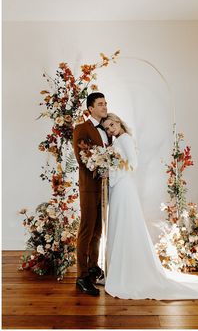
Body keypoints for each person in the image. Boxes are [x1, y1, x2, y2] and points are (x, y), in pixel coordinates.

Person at [101, 113, 198, 300]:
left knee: (126, 223)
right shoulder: (118, 141)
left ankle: (127, 273)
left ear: (119, 122)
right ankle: (118, 269)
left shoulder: (125, 139)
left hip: (123, 185)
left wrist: (114, 168)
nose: (110, 129)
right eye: (107, 128)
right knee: (120, 223)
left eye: (112, 124)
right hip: (118, 186)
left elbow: (133, 165)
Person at [73, 92, 111, 296]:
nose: (105, 107)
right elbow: (82, 159)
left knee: (98, 230)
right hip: (89, 186)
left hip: (104, 188)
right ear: (91, 108)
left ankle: (93, 267)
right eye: (100, 104)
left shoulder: (107, 129)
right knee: (87, 230)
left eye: (106, 103)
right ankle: (81, 276)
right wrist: (100, 166)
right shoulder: (82, 128)